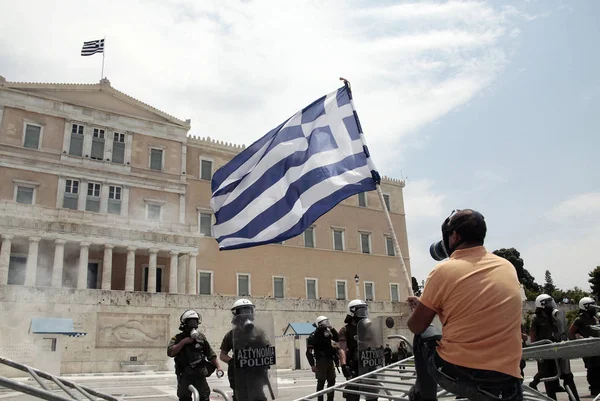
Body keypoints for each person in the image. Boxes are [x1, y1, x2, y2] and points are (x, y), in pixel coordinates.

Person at [406, 209, 523, 401]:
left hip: (461, 372)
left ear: (455, 236)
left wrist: (419, 310)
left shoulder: (443, 270)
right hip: (506, 377)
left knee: (424, 335)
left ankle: (423, 395)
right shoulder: (507, 266)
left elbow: (416, 326)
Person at [529, 294, 579, 401]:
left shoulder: (554, 316)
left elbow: (561, 330)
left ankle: (574, 398)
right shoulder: (536, 319)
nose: (551, 305)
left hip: (556, 349)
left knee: (567, 375)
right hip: (545, 351)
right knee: (547, 376)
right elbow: (533, 336)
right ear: (541, 304)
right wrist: (536, 350)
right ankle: (551, 398)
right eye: (548, 303)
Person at [219, 299, 272, 401]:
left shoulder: (259, 332)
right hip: (239, 376)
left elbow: (268, 350)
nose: (246, 316)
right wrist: (232, 361)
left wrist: (265, 358)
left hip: (256, 375)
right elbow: (222, 355)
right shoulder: (231, 335)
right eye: (242, 312)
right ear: (236, 316)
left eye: (248, 311)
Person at [167, 309, 223, 401]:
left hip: (199, 374)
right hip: (184, 374)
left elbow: (211, 354)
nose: (193, 325)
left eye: (195, 322)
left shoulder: (200, 338)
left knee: (204, 397)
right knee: (184, 398)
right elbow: (170, 352)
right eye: (191, 322)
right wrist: (184, 342)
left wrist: (219, 367)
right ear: (185, 323)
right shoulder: (178, 338)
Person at [338, 299, 377, 401]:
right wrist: (344, 365)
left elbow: (374, 344)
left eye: (365, 311)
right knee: (352, 395)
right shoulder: (345, 330)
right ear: (352, 312)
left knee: (372, 394)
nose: (364, 314)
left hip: (368, 364)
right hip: (354, 365)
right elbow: (342, 348)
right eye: (361, 311)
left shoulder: (368, 328)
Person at [568, 297, 600, 397]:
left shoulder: (595, 319)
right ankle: (594, 388)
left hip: (596, 346)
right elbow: (571, 332)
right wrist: (579, 341)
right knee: (591, 368)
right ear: (586, 307)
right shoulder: (579, 320)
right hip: (587, 348)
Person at [306, 315, 342, 401]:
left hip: (330, 359)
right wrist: (312, 365)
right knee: (321, 382)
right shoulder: (313, 336)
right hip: (321, 361)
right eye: (324, 323)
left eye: (327, 322)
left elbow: (337, 339)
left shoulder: (328, 333)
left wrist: (332, 328)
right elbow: (308, 353)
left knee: (332, 381)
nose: (326, 325)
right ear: (319, 325)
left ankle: (330, 399)